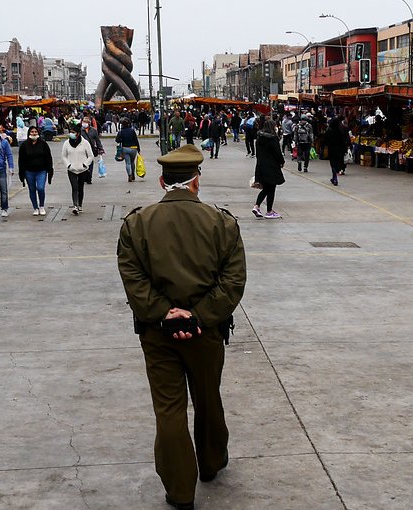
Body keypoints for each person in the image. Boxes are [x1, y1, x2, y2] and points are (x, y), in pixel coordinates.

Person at [117, 144, 246, 510]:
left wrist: (163, 313)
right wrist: (199, 317)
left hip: (158, 334)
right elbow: (233, 281)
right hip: (207, 333)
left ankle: (180, 491)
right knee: (208, 399)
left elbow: (133, 278)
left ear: (162, 181)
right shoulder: (221, 223)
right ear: (196, 183)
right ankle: (210, 463)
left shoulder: (137, 223)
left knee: (169, 410)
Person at [252, 120, 285, 219]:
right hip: (272, 166)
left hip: (261, 166)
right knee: (271, 189)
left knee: (266, 188)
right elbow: (277, 153)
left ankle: (257, 206)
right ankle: (269, 211)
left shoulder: (259, 139)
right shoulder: (273, 138)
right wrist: (281, 161)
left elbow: (258, 154)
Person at [18, 126, 54, 216]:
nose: (34, 133)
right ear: (29, 133)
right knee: (32, 189)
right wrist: (21, 173)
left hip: (41, 170)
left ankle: (41, 206)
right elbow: (21, 160)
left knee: (40, 188)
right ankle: (35, 207)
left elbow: (48, 158)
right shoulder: (24, 145)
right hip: (29, 171)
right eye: (32, 132)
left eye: (35, 132)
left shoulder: (43, 144)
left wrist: (50, 170)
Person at [61, 129, 94, 215]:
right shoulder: (66, 143)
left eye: (74, 132)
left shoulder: (85, 143)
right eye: (71, 132)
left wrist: (85, 164)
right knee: (74, 187)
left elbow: (90, 156)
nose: (72, 134)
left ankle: (80, 204)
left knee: (80, 187)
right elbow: (64, 156)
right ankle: (75, 205)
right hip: (71, 169)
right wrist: (68, 165)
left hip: (82, 169)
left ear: (78, 133)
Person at [323, 116, 351, 185]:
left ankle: (334, 177)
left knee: (333, 164)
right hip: (340, 150)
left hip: (331, 149)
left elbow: (325, 140)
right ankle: (336, 175)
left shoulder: (329, 130)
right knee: (338, 162)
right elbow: (343, 140)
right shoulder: (340, 130)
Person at [80, 116, 103, 185]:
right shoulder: (80, 130)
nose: (84, 123)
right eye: (83, 122)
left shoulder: (93, 130)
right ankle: (84, 177)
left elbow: (97, 140)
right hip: (81, 150)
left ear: (89, 123)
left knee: (90, 164)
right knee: (83, 164)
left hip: (91, 150)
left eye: (86, 122)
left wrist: (100, 148)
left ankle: (89, 178)